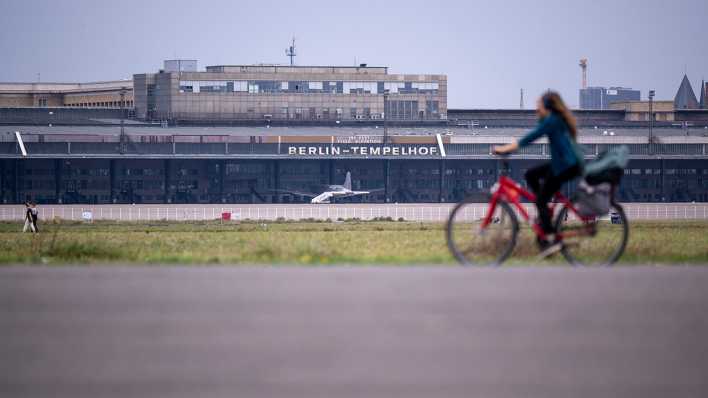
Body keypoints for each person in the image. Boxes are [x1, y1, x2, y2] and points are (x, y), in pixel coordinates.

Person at [493, 91, 583, 256]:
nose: (536, 109)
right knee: (530, 175)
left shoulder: (552, 121)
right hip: (562, 164)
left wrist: (503, 148)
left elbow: (529, 139)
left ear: (547, 107)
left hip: (564, 166)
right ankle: (544, 212)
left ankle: (549, 237)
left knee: (540, 201)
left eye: (538, 106)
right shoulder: (554, 120)